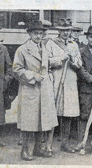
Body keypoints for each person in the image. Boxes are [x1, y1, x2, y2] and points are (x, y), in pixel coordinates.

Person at [13, 20, 58, 160]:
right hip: (30, 89)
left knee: (42, 120)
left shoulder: (44, 48)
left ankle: (38, 148)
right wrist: (32, 75)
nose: (38, 36)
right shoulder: (22, 50)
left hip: (44, 89)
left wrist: (48, 75)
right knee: (28, 121)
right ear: (29, 33)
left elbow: (46, 66)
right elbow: (16, 69)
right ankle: (25, 150)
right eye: (35, 33)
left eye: (40, 33)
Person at [46, 18, 82, 153]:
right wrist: (60, 59)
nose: (66, 33)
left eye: (68, 31)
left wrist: (73, 59)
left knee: (68, 114)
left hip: (70, 82)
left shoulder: (74, 45)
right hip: (56, 82)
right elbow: (47, 62)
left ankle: (65, 143)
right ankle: (48, 144)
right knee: (53, 112)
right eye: (63, 31)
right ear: (58, 31)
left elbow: (79, 64)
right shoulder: (51, 44)